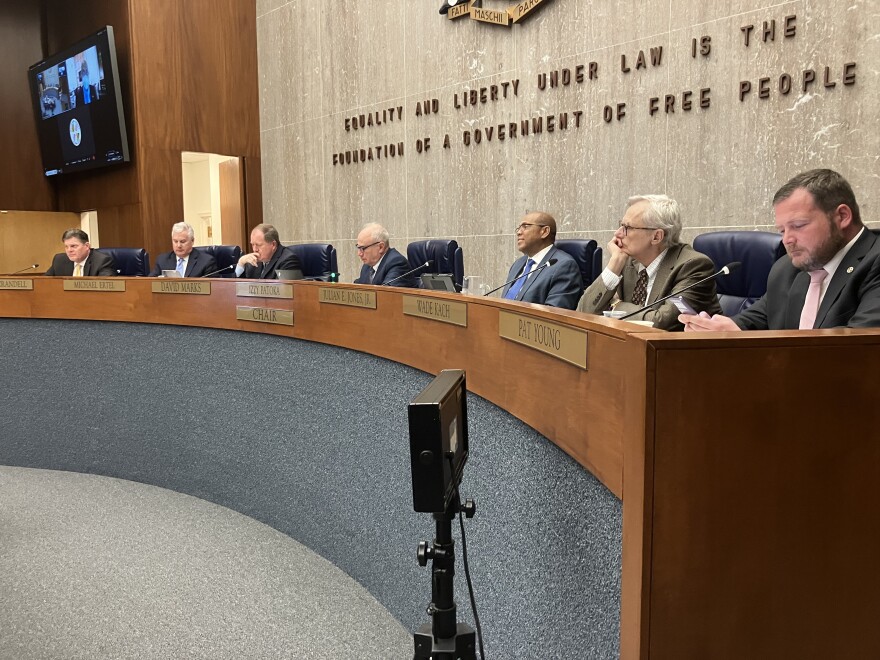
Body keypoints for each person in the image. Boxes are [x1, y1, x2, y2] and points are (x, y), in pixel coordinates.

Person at [681, 168, 880, 331]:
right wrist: (723, 330)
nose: (787, 240)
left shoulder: (874, 262)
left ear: (842, 216)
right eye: (782, 230)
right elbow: (755, 320)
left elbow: (861, 350)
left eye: (799, 225)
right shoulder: (787, 269)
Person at [578, 195, 721, 330]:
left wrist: (614, 306)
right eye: (620, 225)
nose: (618, 233)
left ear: (656, 236)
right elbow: (583, 311)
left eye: (627, 228)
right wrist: (614, 265)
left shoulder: (693, 266)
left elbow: (660, 323)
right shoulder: (626, 261)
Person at [501, 212, 583, 309]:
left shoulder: (564, 266)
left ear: (544, 231)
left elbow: (554, 314)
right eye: (518, 228)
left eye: (525, 226)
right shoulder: (518, 264)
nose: (519, 232)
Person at [353, 223, 417, 287]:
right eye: (358, 248)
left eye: (363, 248)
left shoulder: (396, 263)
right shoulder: (367, 266)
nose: (359, 254)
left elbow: (386, 293)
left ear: (381, 247)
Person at [148, 222, 217, 277]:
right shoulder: (162, 260)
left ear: (192, 241)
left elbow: (213, 288)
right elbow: (149, 282)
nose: (178, 245)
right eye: (175, 241)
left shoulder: (206, 262)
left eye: (182, 241)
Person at [235, 224, 301, 279]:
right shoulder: (253, 261)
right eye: (252, 244)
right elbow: (236, 288)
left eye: (258, 245)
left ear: (273, 245)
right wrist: (240, 263)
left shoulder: (288, 260)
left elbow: (283, 291)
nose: (255, 249)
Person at [45, 229, 116, 277]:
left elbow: (105, 288)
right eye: (66, 246)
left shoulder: (102, 261)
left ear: (87, 246)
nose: (69, 250)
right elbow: (44, 283)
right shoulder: (59, 260)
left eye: (73, 246)